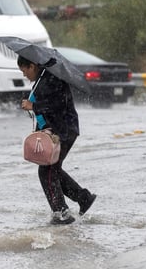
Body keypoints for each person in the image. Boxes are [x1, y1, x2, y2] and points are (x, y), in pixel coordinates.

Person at [18, 55, 96, 225]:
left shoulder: (50, 79)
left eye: (24, 70)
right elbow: (48, 104)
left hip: (63, 132)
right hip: (60, 130)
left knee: (47, 171)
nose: (24, 75)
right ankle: (83, 198)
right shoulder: (43, 79)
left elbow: (56, 106)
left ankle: (61, 214)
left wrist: (34, 106)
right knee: (53, 170)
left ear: (32, 65)